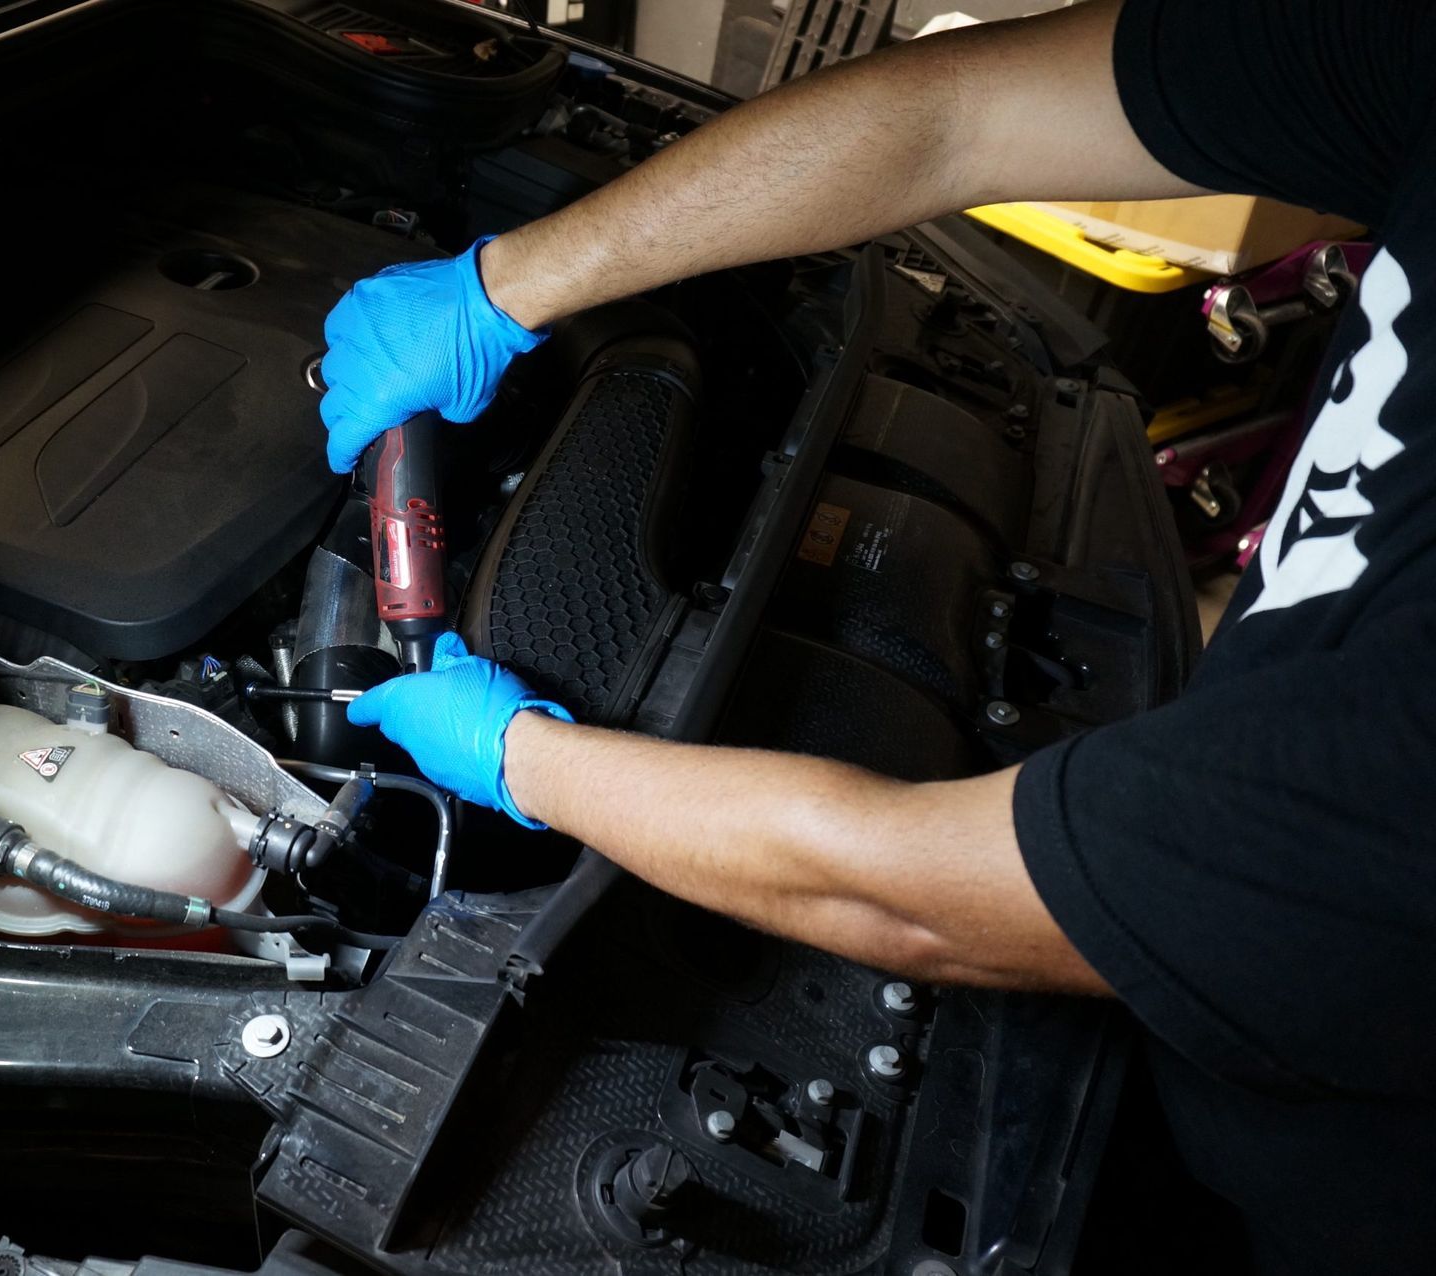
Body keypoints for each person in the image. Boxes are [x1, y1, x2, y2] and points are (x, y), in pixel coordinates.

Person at [316, 0, 1436, 1269]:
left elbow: (915, 891)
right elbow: (951, 111)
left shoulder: (1400, 764)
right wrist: (504, 284)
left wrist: (523, 758)